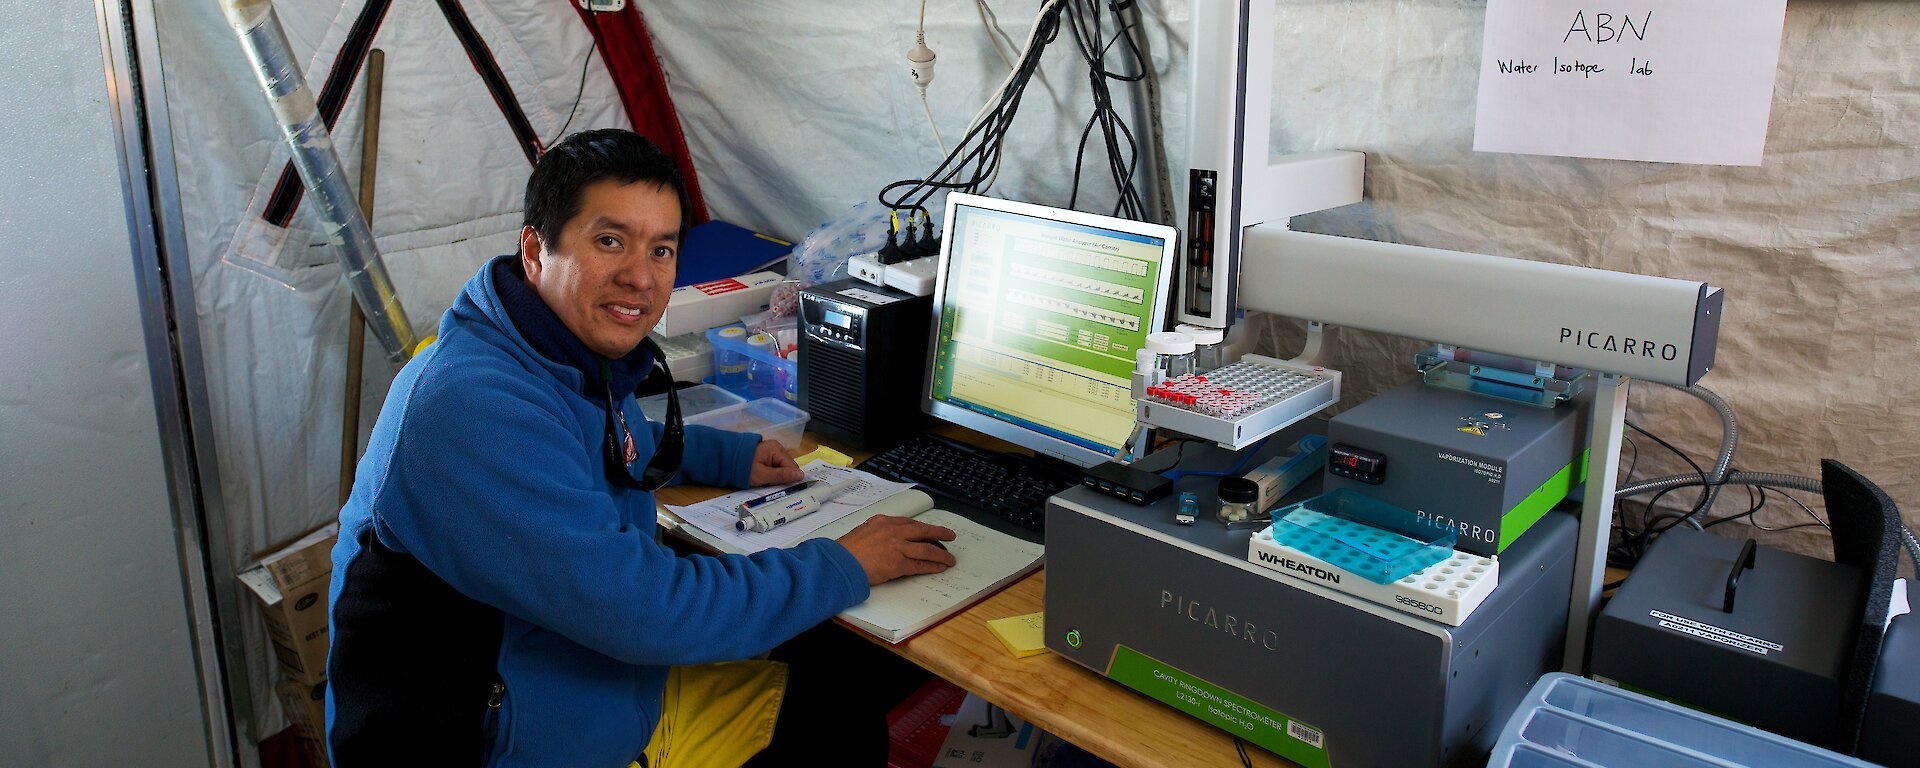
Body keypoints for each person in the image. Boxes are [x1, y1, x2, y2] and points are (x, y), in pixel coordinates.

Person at [325, 128, 957, 766]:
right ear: (535, 251)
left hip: (582, 683)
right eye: (609, 241)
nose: (639, 277)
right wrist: (844, 563)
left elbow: (590, 443)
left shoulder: (556, 348)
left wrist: (723, 455)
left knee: (832, 686)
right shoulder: (471, 407)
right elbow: (647, 611)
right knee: (833, 715)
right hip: (508, 742)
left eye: (661, 250)